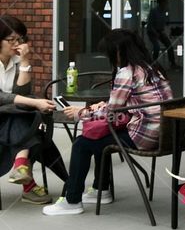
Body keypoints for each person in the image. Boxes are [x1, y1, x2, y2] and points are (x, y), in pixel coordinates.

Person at [43, 29, 173, 216]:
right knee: (100, 136)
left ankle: (72, 201)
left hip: (144, 136)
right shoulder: (153, 69)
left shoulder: (127, 73)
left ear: (119, 51)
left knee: (82, 143)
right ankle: (101, 190)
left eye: (110, 53)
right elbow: (134, 103)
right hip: (166, 134)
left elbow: (112, 114)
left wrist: (82, 112)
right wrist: (105, 107)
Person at [0, 15, 66, 204]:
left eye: (19, 39)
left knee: (25, 116)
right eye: (10, 39)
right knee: (31, 119)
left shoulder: (15, 62)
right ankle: (28, 181)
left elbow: (22, 93)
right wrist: (36, 103)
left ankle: (22, 169)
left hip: (10, 119)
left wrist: (25, 62)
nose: (16, 44)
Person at [146, 0, 177, 69]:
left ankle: (172, 63)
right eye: (166, 2)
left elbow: (163, 24)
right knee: (157, 47)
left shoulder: (164, 11)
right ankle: (153, 64)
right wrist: (156, 33)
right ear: (162, 2)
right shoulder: (154, 11)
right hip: (152, 31)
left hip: (159, 31)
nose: (167, 4)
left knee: (169, 45)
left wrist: (162, 32)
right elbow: (150, 25)